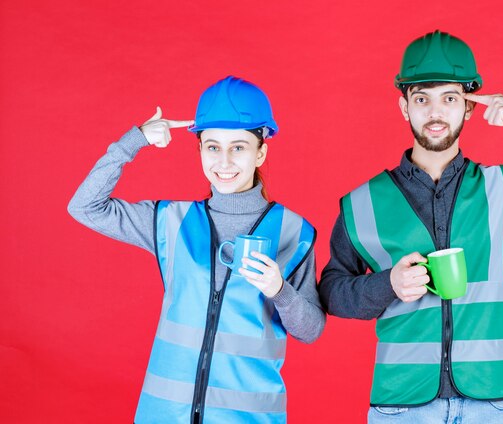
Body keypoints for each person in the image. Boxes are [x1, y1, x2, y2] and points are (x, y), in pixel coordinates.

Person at [318, 30, 503, 423]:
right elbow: (331, 293)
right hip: (401, 405)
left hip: (488, 403)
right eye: (422, 98)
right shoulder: (362, 202)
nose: (435, 112)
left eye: (450, 98)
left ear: (469, 107)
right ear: (404, 107)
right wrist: (386, 284)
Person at [68, 76, 325, 424]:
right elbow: (84, 207)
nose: (224, 161)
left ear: (260, 151)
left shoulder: (293, 232)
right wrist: (136, 140)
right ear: (200, 149)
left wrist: (280, 291)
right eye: (212, 147)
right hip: (163, 416)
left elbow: (311, 330)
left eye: (238, 147)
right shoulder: (170, 222)